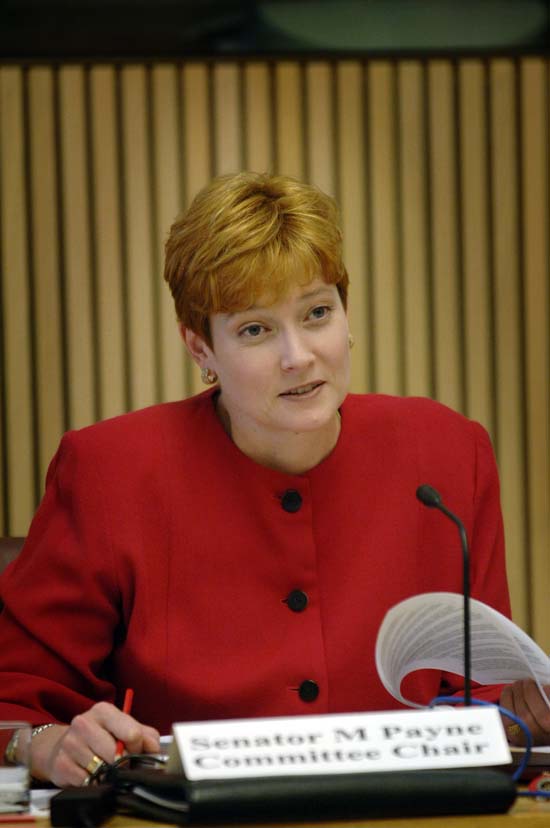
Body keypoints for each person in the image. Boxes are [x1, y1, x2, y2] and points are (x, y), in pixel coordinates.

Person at [0, 172, 548, 787]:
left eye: (317, 313)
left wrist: (525, 711)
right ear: (199, 347)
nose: (298, 356)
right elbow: (14, 706)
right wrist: (44, 745)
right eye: (255, 330)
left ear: (346, 314)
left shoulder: (449, 452)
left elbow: (484, 693)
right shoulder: (109, 471)